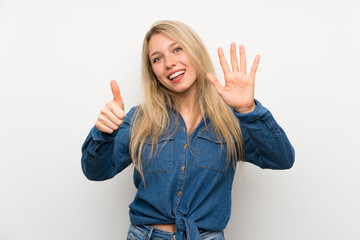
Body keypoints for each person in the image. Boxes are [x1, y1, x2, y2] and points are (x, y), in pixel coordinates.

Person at [81, 20, 295, 240]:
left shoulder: (231, 120)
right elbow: (96, 172)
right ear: (153, 71)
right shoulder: (140, 119)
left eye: (177, 49)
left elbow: (282, 159)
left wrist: (248, 109)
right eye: (157, 58)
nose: (169, 63)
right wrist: (103, 134)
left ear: (195, 51)